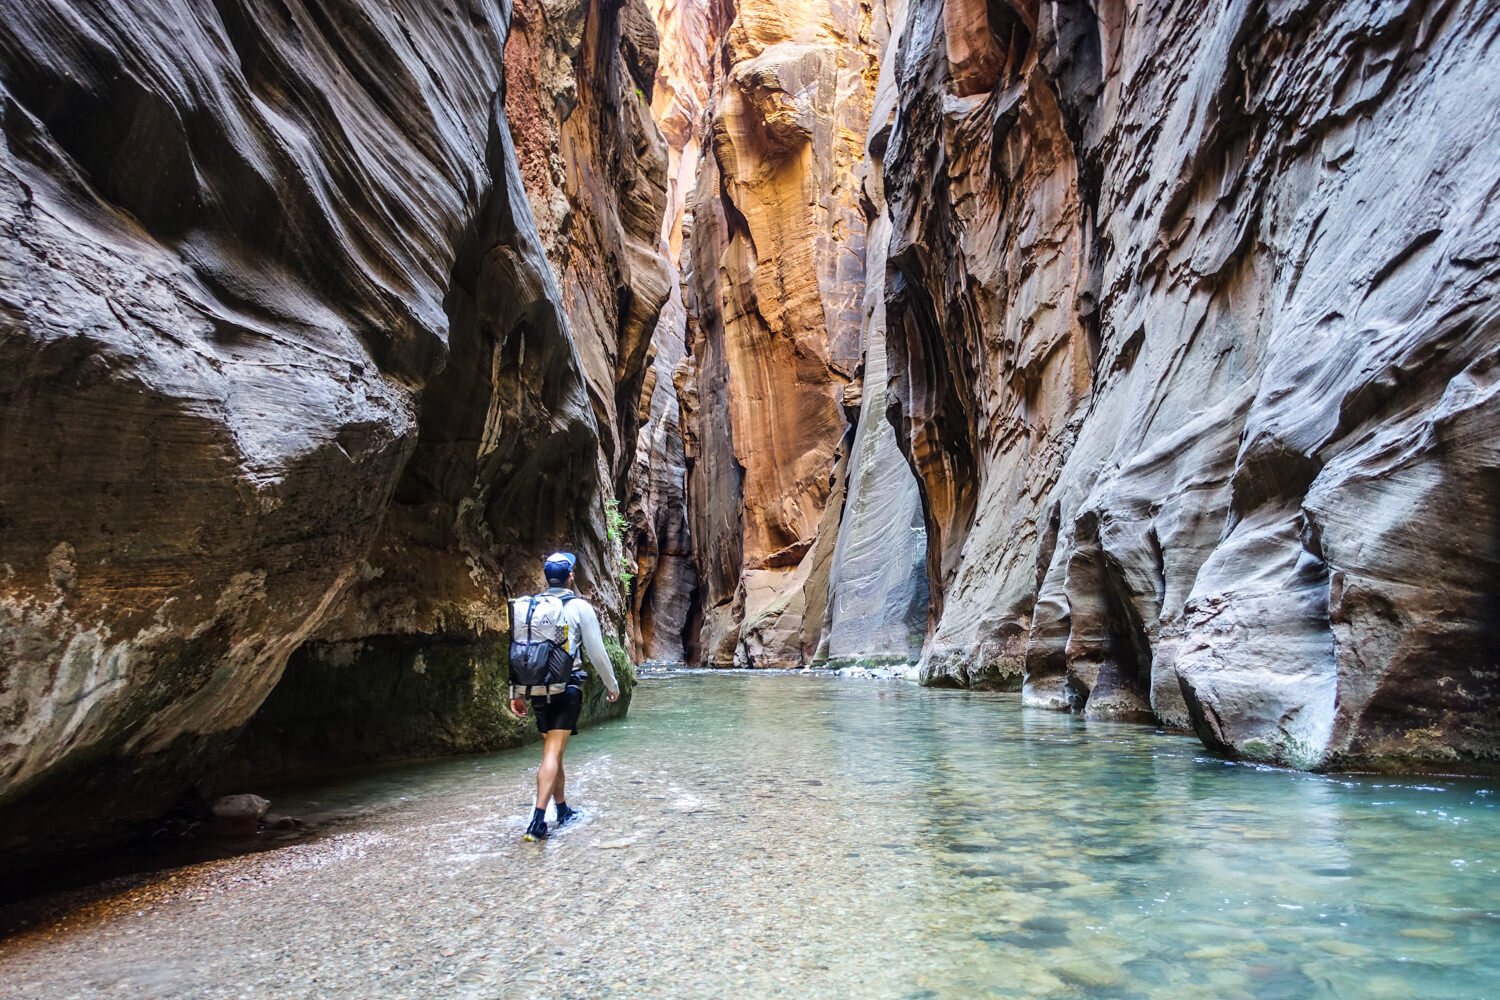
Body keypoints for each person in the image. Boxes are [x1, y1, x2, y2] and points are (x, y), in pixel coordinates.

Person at [510, 551, 620, 841]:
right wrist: (612, 684)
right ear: (571, 576)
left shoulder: (533, 607)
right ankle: (537, 821)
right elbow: (596, 651)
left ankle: (562, 809)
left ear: (547, 578)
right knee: (552, 753)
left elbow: (520, 651)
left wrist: (517, 692)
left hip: (537, 689)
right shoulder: (579, 607)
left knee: (554, 752)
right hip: (566, 687)